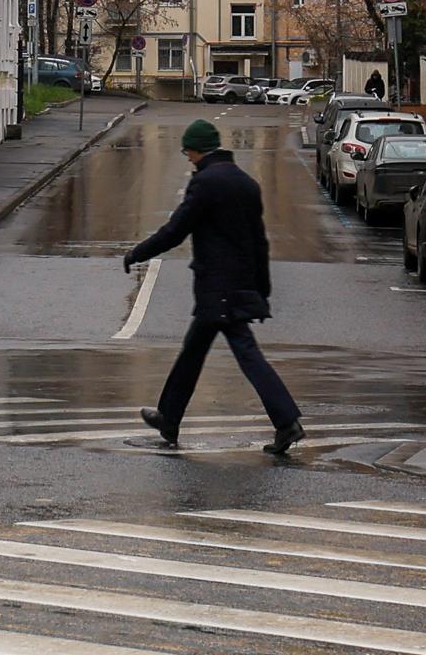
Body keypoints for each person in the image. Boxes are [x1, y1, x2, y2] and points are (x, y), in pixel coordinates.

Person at [124, 115, 302, 455]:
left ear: (197, 150)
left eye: (188, 153)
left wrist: (138, 253)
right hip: (237, 285)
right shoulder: (247, 184)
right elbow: (260, 242)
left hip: (217, 288)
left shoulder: (206, 183)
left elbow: (175, 230)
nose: (187, 159)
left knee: (245, 354)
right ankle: (169, 418)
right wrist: (262, 290)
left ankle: (286, 421)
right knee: (194, 350)